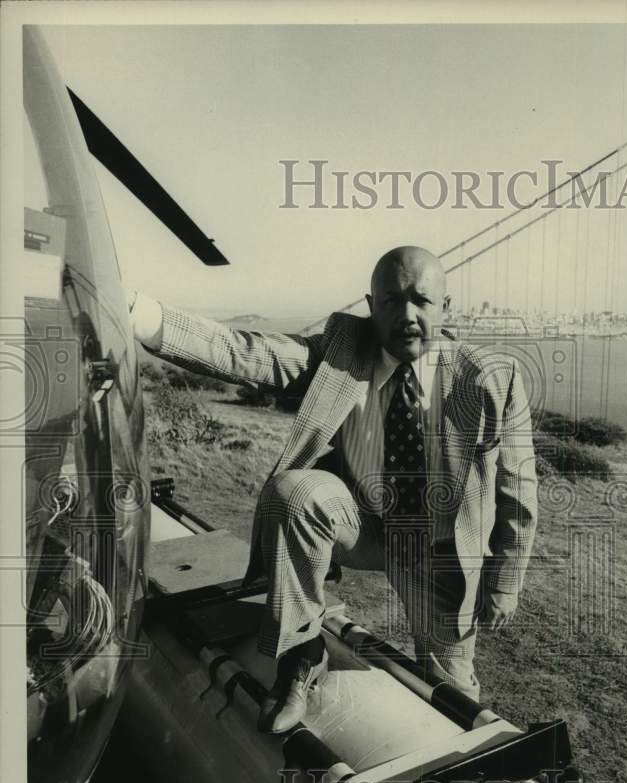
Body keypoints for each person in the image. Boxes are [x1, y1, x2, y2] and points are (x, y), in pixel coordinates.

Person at [129, 246, 537, 733]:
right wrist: (138, 312)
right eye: (391, 300)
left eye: (422, 301)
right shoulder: (342, 348)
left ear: (446, 309)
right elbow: (247, 354)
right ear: (371, 305)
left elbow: (518, 489)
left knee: (452, 689)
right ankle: (302, 654)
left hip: (439, 549)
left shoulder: (491, 378)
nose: (407, 314)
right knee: (294, 493)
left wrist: (506, 580)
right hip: (358, 523)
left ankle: (457, 766)